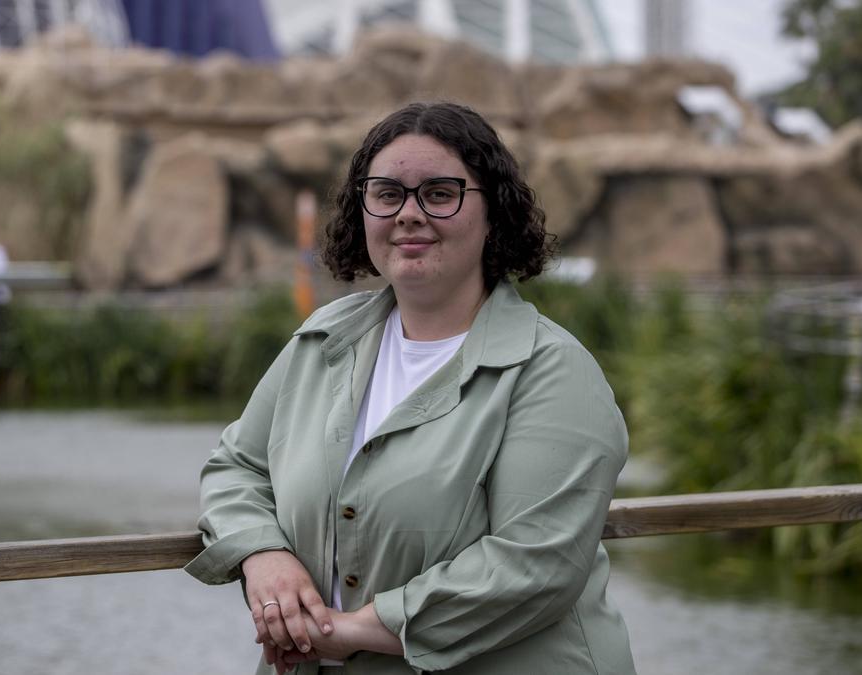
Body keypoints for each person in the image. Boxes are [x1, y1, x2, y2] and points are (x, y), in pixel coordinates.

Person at [185, 101, 636, 674]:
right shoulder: (321, 343)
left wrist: (350, 631)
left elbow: (535, 566)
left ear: (493, 211)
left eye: (440, 194)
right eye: (387, 193)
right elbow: (236, 468)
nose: (409, 214)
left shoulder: (553, 372)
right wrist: (262, 554)